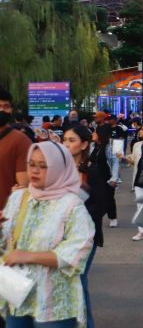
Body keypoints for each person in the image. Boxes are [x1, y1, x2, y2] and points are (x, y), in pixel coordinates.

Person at [0, 141, 95, 328]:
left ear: (59, 169)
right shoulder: (19, 198)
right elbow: (6, 243)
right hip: (17, 294)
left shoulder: (71, 205)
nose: (35, 171)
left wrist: (29, 256)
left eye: (43, 166)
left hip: (54, 301)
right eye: (31, 164)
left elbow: (77, 252)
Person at [62, 123, 104, 328]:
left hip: (86, 236)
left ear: (84, 144)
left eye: (72, 140)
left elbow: (101, 204)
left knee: (78, 280)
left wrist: (79, 216)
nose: (66, 144)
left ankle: (86, 323)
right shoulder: (57, 169)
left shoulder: (91, 171)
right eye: (64, 140)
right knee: (67, 282)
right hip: (61, 236)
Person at [0, 88, 31, 210]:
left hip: (5, 217)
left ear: (11, 110)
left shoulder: (21, 141)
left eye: (6, 106)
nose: (2, 110)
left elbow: (23, 187)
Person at [89, 125, 121, 228]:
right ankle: (94, 217)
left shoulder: (109, 146)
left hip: (107, 176)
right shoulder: (92, 145)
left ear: (100, 134)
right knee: (94, 198)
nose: (93, 134)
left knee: (109, 198)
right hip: (94, 177)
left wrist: (114, 178)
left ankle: (113, 218)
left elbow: (115, 162)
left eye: (95, 132)